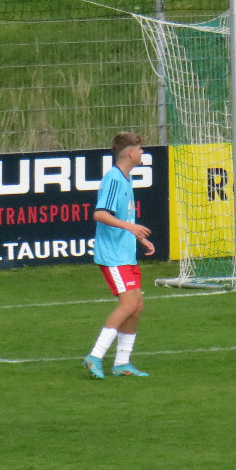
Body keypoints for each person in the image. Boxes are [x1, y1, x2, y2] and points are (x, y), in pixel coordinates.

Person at [82, 132, 156, 379]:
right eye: (140, 149)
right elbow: (100, 214)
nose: (142, 152)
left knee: (137, 305)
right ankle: (95, 356)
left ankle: (122, 362)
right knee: (128, 304)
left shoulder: (126, 178)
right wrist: (131, 228)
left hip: (125, 253)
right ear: (130, 152)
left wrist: (139, 237)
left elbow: (123, 216)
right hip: (113, 255)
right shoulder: (114, 178)